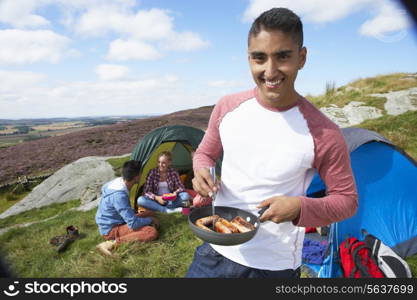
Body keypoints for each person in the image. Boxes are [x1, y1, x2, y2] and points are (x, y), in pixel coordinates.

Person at [186, 7, 358, 278]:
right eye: (259, 58)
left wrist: (300, 207)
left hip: (274, 265)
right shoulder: (227, 107)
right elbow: (205, 154)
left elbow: (347, 201)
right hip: (215, 250)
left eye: (283, 57)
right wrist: (201, 172)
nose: (270, 70)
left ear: (302, 58)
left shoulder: (324, 132)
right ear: (249, 59)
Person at [95, 160, 159, 256]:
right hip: (111, 229)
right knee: (151, 232)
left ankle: (142, 226)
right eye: (141, 173)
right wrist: (150, 220)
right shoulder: (119, 196)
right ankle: (111, 244)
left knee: (151, 212)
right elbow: (133, 223)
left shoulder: (117, 182)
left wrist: (148, 216)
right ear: (137, 177)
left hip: (116, 220)